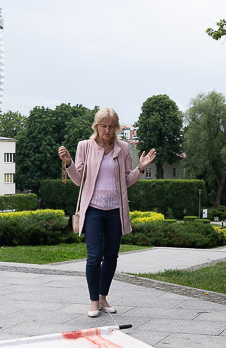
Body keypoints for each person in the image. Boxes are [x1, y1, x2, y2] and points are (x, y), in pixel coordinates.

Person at [58, 107, 156, 318]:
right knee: (94, 257)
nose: (108, 130)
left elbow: (126, 181)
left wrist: (140, 169)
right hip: (93, 209)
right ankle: (94, 301)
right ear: (96, 126)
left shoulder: (123, 148)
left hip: (115, 210)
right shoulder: (85, 146)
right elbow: (78, 181)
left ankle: (103, 298)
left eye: (112, 126)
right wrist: (68, 163)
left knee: (111, 256)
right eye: (104, 126)